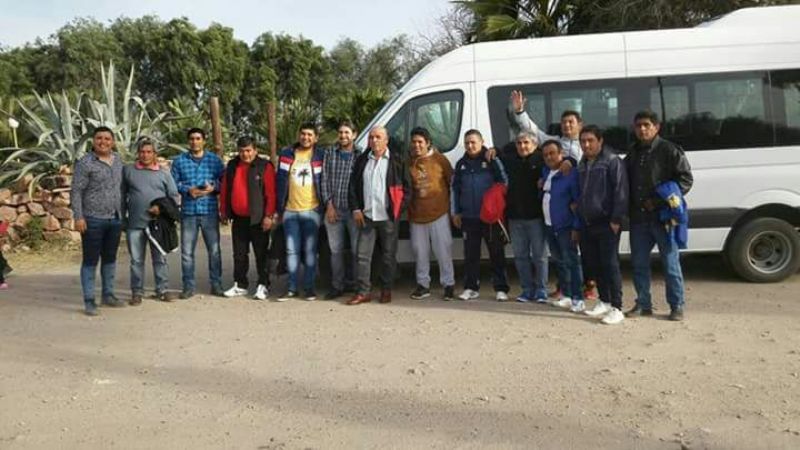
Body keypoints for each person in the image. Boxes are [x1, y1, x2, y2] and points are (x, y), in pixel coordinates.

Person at [510, 89, 598, 300]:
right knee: (563, 253)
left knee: (584, 250)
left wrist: (571, 161)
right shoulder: (555, 143)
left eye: (571, 122)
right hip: (562, 207)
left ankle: (588, 286)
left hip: (585, 202)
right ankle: (566, 289)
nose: (567, 126)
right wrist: (520, 112)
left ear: (580, 124)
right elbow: (533, 131)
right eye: (564, 122)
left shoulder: (587, 144)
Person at [625, 110, 693, 321]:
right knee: (639, 264)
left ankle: (676, 305)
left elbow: (685, 180)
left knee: (670, 264)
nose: (642, 129)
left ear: (656, 127)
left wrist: (659, 200)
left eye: (646, 125)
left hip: (664, 218)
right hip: (639, 219)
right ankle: (643, 304)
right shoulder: (633, 152)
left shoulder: (669, 150)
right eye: (638, 126)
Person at [346, 126, 410, 306]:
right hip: (366, 217)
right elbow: (352, 187)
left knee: (388, 256)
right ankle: (363, 292)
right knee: (362, 256)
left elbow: (408, 189)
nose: (374, 140)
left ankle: (386, 290)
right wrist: (355, 209)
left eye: (378, 137)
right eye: (371, 137)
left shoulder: (397, 161)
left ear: (386, 140)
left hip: (388, 218)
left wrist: (398, 209)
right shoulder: (362, 160)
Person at [574, 126, 628, 325]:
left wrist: (616, 219)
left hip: (606, 222)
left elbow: (621, 191)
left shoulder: (612, 161)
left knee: (610, 264)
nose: (586, 145)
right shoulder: (583, 163)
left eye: (590, 140)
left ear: (600, 141)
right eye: (583, 141)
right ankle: (604, 300)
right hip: (587, 222)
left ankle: (617, 307)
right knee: (594, 264)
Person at [71, 126, 125, 315]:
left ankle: (108, 295)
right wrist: (78, 217)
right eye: (99, 138)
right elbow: (76, 191)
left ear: (113, 142)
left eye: (107, 138)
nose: (103, 142)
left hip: (115, 218)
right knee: (90, 260)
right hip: (92, 219)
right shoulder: (85, 163)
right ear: (93, 141)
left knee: (110, 259)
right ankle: (89, 301)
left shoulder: (118, 160)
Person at [451, 129, 510, 301]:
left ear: (481, 142)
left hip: (490, 217)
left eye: (473, 142)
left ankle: (501, 288)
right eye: (467, 143)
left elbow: (504, 182)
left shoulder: (491, 160)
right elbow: (455, 189)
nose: (470, 146)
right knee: (471, 255)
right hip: (469, 217)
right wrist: (456, 212)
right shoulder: (461, 164)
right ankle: (471, 288)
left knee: (496, 253)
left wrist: (495, 204)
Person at [121, 138, 179, 305]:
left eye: (148, 152)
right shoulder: (128, 171)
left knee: (159, 258)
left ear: (154, 154)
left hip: (157, 225)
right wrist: (122, 218)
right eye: (142, 152)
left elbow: (174, 196)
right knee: (136, 261)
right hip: (135, 224)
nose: (145, 155)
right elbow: (122, 195)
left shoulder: (164, 173)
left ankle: (162, 290)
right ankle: (137, 292)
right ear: (138, 153)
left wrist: (161, 208)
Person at [219, 136, 277, 301]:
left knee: (261, 254)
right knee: (239, 254)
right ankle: (240, 285)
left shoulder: (264, 166)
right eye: (242, 151)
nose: (245, 154)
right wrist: (224, 211)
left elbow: (271, 193)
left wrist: (269, 216)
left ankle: (263, 284)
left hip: (259, 219)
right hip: (239, 219)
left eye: (248, 150)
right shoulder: (232, 166)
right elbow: (225, 190)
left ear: (255, 150)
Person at [170, 128, 225, 299]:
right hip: (189, 212)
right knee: (187, 252)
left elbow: (224, 181)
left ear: (204, 140)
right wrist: (188, 190)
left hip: (209, 211)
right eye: (192, 139)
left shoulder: (214, 160)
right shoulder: (179, 161)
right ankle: (188, 286)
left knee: (214, 251)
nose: (195, 142)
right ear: (188, 141)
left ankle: (216, 284)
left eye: (198, 138)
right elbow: (173, 183)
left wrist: (213, 187)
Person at [276, 122, 325, 301]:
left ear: (316, 138)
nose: (306, 137)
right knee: (292, 251)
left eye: (310, 135)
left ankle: (309, 288)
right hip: (290, 211)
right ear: (299, 135)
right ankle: (291, 288)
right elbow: (280, 181)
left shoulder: (321, 156)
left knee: (310, 251)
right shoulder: (286, 154)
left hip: (312, 211)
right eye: (303, 134)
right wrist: (278, 209)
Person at [407, 126, 455, 301]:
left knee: (443, 251)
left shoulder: (440, 160)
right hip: (416, 216)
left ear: (428, 143)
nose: (416, 145)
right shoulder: (408, 163)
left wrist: (453, 209)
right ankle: (423, 285)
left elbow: (452, 182)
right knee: (420, 252)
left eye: (420, 142)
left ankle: (448, 284)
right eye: (414, 142)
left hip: (439, 214)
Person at [500, 130, 548, 303]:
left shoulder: (542, 160)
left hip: (536, 217)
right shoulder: (511, 160)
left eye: (526, 143)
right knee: (520, 257)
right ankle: (527, 290)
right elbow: (497, 155)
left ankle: (541, 290)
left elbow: (560, 164)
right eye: (519, 143)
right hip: (515, 218)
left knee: (540, 257)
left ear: (535, 145)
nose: (522, 146)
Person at [540, 140, 584, 312]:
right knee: (559, 262)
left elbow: (577, 202)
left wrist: (576, 226)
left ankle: (578, 298)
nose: (549, 157)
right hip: (549, 225)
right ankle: (566, 295)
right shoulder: (545, 172)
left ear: (561, 154)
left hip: (565, 225)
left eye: (552, 153)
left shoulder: (569, 173)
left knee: (571, 261)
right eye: (545, 155)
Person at [320, 121, 361, 300]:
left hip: (353, 211)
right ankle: (337, 286)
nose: (343, 136)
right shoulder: (330, 153)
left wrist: (358, 209)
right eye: (341, 132)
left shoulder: (361, 155)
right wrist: (329, 205)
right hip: (334, 210)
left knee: (356, 250)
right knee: (335, 251)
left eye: (347, 132)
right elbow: (324, 179)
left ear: (354, 134)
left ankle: (357, 286)